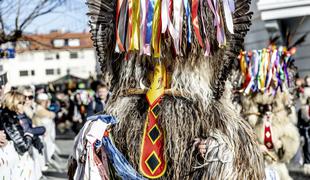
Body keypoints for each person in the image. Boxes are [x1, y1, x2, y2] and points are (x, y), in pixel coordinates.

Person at [0, 90, 40, 179]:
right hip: (13, 163)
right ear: (12, 103)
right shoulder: (9, 119)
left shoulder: (10, 116)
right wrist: (29, 134)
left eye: (24, 102)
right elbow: (23, 146)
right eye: (20, 103)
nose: (24, 105)